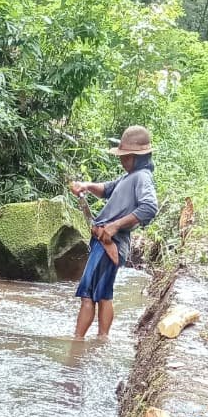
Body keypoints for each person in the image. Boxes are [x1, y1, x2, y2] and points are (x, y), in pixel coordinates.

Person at [69, 125, 159, 338]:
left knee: (89, 295)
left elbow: (149, 207)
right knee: (102, 295)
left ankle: (77, 342)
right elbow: (106, 189)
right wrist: (86, 186)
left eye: (126, 156)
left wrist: (115, 225)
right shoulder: (130, 176)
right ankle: (101, 340)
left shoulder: (142, 177)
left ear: (138, 157)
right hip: (108, 242)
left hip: (111, 241)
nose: (122, 160)